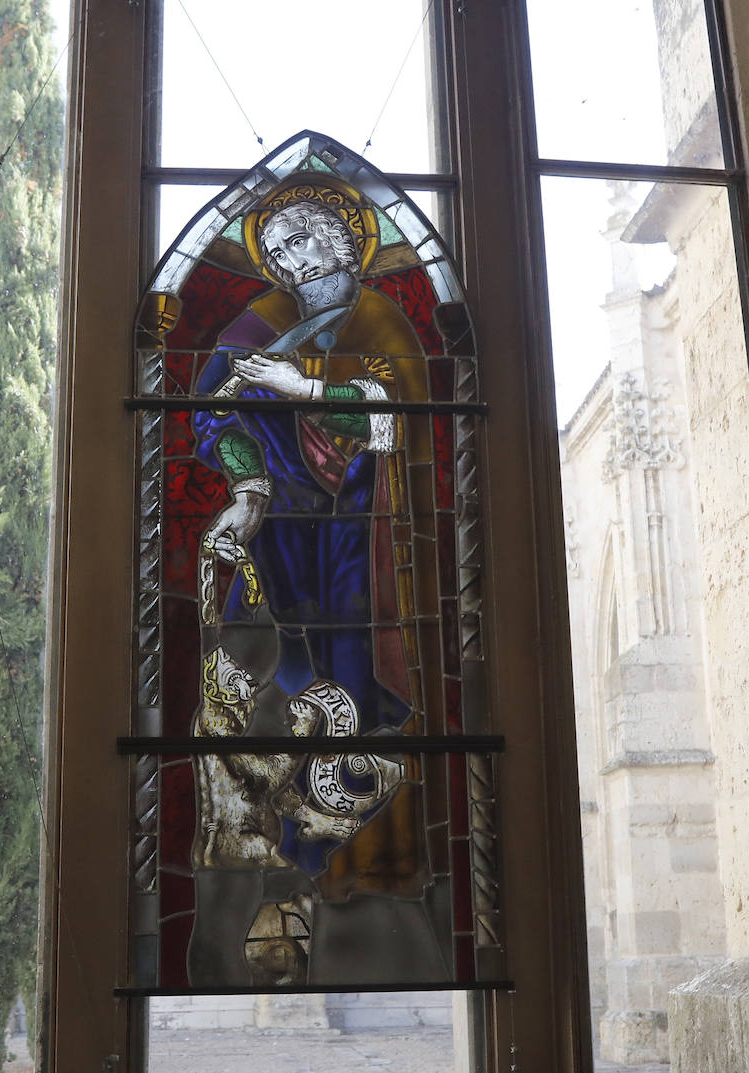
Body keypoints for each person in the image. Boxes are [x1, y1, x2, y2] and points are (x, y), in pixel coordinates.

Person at [187, 186, 438, 982]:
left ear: (343, 241)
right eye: (279, 249)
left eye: (304, 240)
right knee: (253, 687)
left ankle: (322, 872)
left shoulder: (381, 324)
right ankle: (252, 865)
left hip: (365, 537)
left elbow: (396, 420)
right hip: (280, 531)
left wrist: (301, 390)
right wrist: (248, 489)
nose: (291, 259)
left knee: (354, 690)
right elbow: (211, 414)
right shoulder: (257, 324)